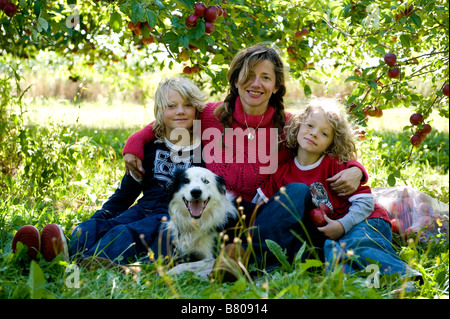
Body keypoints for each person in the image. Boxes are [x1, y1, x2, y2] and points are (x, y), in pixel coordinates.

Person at [121, 44, 367, 271]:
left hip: (263, 215)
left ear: (277, 86)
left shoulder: (289, 125)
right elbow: (168, 122)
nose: (256, 84)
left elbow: (329, 145)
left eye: (266, 77)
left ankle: (241, 256)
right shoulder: (211, 115)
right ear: (236, 79)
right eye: (249, 75)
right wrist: (134, 143)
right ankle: (229, 259)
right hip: (219, 213)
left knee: (298, 192)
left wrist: (356, 170)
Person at [12, 77, 206, 265]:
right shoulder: (149, 148)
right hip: (143, 208)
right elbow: (125, 193)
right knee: (96, 225)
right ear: (160, 111)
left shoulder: (204, 151)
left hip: (172, 217)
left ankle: (82, 261)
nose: (180, 111)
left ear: (196, 108)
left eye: (187, 105)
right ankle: (48, 251)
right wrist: (102, 215)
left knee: (124, 232)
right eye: (171, 106)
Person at [254, 98, 421, 279]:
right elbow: (262, 208)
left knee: (358, 245)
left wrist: (343, 225)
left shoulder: (335, 166)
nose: (314, 133)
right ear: (298, 126)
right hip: (332, 234)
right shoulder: (282, 172)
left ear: (333, 142)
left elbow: (365, 202)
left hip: (364, 220)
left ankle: (407, 276)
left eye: (324, 133)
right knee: (333, 253)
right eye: (309, 125)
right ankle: (357, 283)